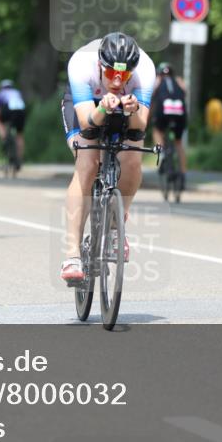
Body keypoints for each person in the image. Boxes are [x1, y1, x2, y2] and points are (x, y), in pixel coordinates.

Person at [58, 32, 155, 283]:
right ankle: (72, 255)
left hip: (124, 105)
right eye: (112, 73)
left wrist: (132, 110)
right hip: (88, 104)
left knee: (133, 161)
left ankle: (115, 227)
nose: (117, 80)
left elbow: (139, 127)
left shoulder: (145, 69)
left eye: (124, 76)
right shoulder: (82, 64)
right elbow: (87, 123)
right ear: (100, 65)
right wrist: (102, 107)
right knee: (88, 163)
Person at [151, 62, 188, 181]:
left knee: (157, 130)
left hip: (163, 112)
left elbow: (151, 96)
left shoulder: (158, 81)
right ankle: (183, 173)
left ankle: (162, 154)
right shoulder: (178, 80)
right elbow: (185, 92)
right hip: (179, 113)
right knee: (178, 143)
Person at [0, 79, 26, 169]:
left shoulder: (0, 93)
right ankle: (19, 159)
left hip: (8, 109)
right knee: (19, 135)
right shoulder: (17, 92)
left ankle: (4, 139)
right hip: (21, 111)